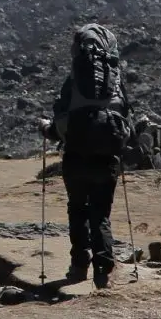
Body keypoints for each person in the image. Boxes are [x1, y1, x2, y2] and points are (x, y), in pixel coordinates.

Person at [46, 23, 131, 289]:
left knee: (77, 209)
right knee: (100, 214)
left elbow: (61, 121)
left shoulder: (73, 80)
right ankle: (104, 271)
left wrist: (46, 129)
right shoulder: (115, 80)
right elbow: (126, 117)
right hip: (107, 160)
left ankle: (79, 265)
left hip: (75, 157)